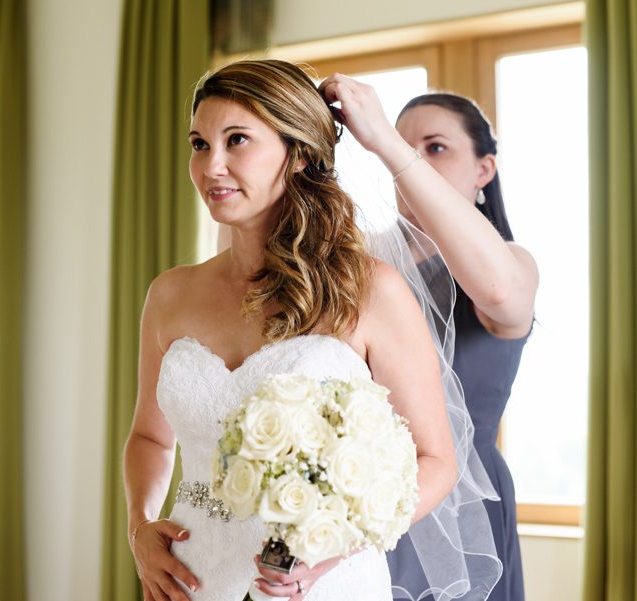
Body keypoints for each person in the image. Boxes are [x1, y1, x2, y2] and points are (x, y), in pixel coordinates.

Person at [123, 59, 496, 601]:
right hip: (188, 581)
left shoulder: (371, 291)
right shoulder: (170, 294)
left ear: (297, 155)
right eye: (200, 144)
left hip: (321, 585)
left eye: (237, 140)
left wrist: (340, 544)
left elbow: (435, 461)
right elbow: (150, 437)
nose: (212, 165)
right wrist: (140, 526)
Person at [310, 85, 535, 601]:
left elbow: (500, 292)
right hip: (353, 492)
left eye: (434, 148)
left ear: (484, 171)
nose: (410, 162)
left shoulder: (513, 263)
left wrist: (387, 142)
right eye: (404, 147)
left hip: (466, 504)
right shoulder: (358, 266)